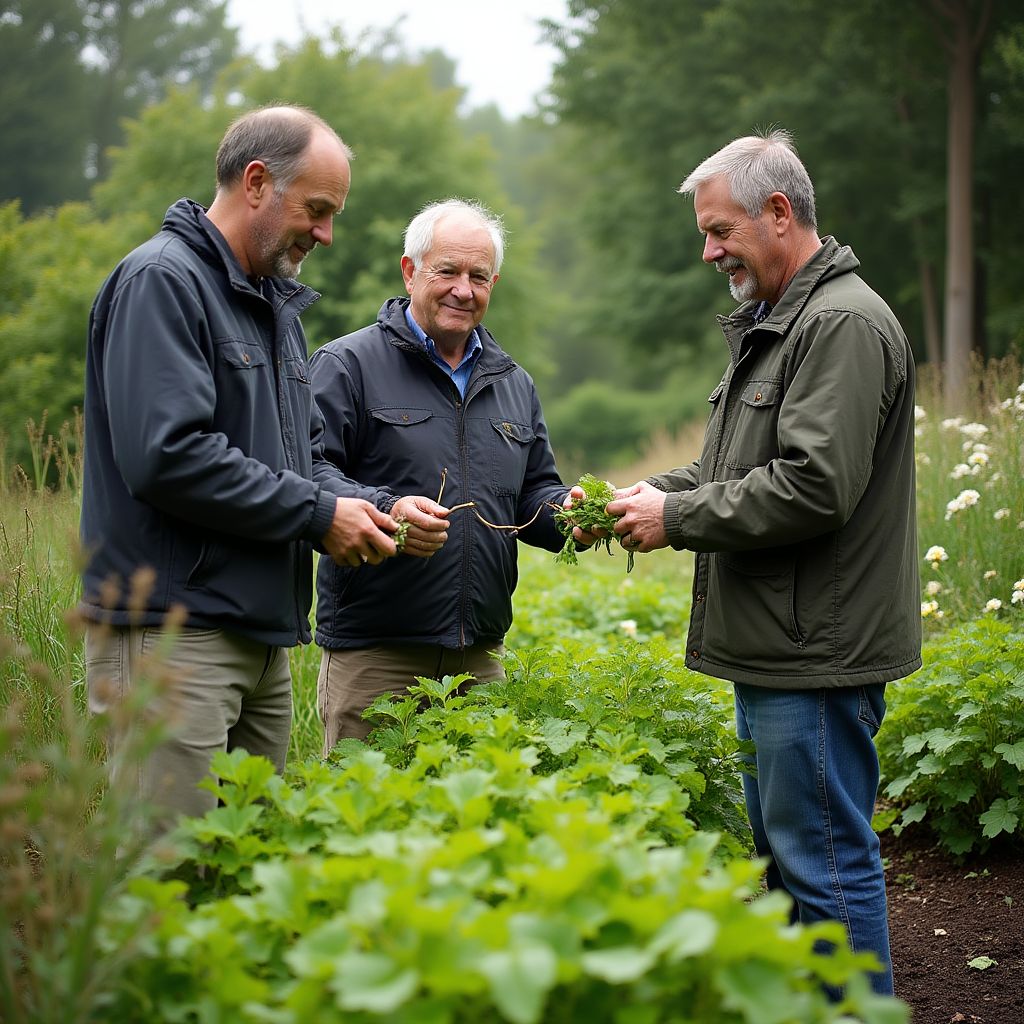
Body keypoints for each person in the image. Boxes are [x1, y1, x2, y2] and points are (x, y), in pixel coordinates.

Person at [592, 129, 920, 995]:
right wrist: (647, 494)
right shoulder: (785, 321)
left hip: (815, 651)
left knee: (824, 866)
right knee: (789, 860)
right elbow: (737, 468)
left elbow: (816, 487)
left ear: (780, 213)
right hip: (784, 641)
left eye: (720, 229)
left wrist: (680, 518)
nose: (708, 251)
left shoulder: (839, 324)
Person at [79, 105, 398, 827]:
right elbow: (169, 456)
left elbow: (300, 459)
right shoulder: (162, 281)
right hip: (174, 637)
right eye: (316, 210)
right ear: (256, 182)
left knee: (247, 877)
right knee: (168, 878)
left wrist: (371, 507)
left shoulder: (268, 304)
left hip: (258, 641)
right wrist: (320, 517)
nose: (325, 233)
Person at [309, 198, 572, 750]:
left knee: (479, 823)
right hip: (375, 657)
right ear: (410, 272)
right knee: (363, 822)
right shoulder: (346, 365)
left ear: (493, 282)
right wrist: (388, 510)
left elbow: (534, 492)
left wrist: (570, 517)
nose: (463, 289)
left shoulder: (514, 383)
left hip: (477, 659)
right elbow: (308, 472)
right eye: (447, 271)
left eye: (478, 276)